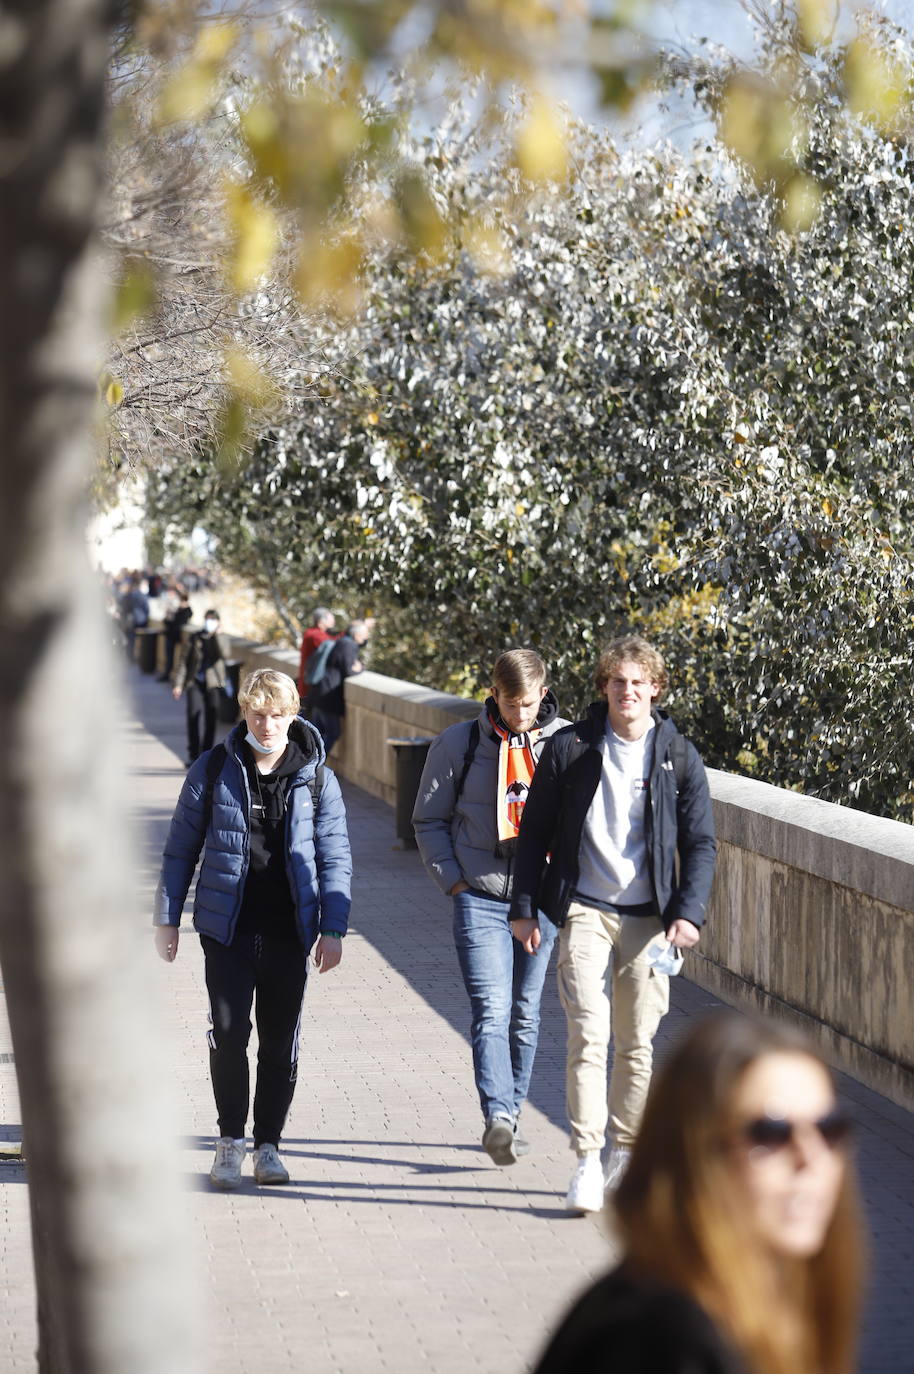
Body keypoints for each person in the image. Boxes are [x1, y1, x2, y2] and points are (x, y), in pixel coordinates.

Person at [531, 1011, 865, 1374]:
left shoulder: (769, 1302)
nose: (811, 1158)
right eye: (771, 1134)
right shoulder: (653, 1338)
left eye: (830, 1129)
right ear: (694, 1153)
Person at [510, 633, 716, 1211]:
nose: (628, 692)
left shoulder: (678, 756)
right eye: (618, 682)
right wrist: (524, 909)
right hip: (584, 911)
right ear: (604, 687)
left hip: (650, 921)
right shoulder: (572, 749)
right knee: (588, 1036)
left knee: (637, 1044)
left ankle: (625, 1154)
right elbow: (535, 835)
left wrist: (689, 914)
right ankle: (585, 1161)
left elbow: (702, 844)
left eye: (639, 683)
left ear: (655, 689)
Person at [154, 668, 351, 1189]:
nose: (267, 725)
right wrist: (167, 918)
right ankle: (228, 1142)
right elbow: (180, 849)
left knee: (279, 1040)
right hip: (228, 930)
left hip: (290, 931)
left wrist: (334, 928)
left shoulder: (316, 777)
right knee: (228, 1034)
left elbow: (335, 856)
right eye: (258, 714)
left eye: (278, 715)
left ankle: (268, 1146)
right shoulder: (214, 767)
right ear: (244, 711)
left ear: (293, 714)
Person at [412, 649, 569, 1165]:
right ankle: (498, 1117)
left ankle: (513, 1114)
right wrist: (453, 882)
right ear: (493, 693)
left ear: (543, 692)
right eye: (510, 703)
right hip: (479, 896)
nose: (520, 715)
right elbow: (428, 819)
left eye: (529, 703)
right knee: (492, 1012)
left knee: (525, 1013)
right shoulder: (460, 743)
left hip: (541, 899)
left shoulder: (566, 744)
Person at [172, 608, 231, 765]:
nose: (209, 622)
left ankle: (206, 754)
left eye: (213, 619)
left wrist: (216, 636)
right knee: (193, 715)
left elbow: (223, 654)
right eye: (207, 618)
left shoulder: (222, 637)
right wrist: (178, 684)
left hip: (213, 683)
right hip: (195, 681)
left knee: (211, 718)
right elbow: (184, 662)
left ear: (218, 622)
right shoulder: (194, 638)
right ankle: (193, 754)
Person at [308, 617, 370, 755]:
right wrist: (361, 668)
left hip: (321, 691)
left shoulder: (342, 641)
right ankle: (315, 762)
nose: (366, 638)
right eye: (365, 635)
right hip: (329, 695)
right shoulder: (349, 645)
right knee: (332, 732)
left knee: (316, 733)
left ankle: (310, 761)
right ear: (357, 635)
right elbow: (348, 670)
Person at [296, 605, 337, 698]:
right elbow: (332, 645)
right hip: (310, 688)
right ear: (322, 621)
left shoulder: (312, 633)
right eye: (331, 619)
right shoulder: (314, 634)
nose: (333, 621)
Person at [158, 586, 192, 682]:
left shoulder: (186, 610)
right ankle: (168, 674)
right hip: (171, 635)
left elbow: (177, 624)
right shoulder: (178, 609)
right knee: (169, 657)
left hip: (175, 636)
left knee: (177, 659)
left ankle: (171, 675)